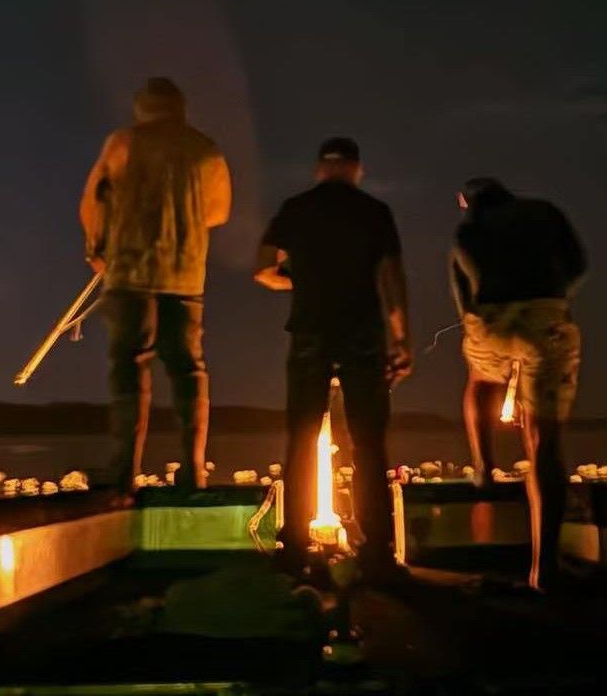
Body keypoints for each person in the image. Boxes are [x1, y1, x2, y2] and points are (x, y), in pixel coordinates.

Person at [255, 137, 411, 579]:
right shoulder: (375, 212)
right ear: (357, 169)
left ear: (320, 168)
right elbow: (392, 279)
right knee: (369, 444)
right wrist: (403, 339)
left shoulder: (296, 208)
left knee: (300, 439)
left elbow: (263, 268)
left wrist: (299, 280)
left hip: (310, 332)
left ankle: (294, 549)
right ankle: (377, 552)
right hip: (363, 332)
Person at [80, 77, 232, 491]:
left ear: (141, 108)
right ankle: (193, 468)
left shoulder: (124, 142)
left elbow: (94, 199)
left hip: (131, 273)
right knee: (189, 369)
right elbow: (217, 213)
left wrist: (96, 247)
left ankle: (123, 469)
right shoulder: (206, 150)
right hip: (185, 276)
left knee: (129, 366)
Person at [450, 176, 586, 591]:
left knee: (480, 374)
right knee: (544, 440)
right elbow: (579, 264)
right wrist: (557, 299)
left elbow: (463, 296)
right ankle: (544, 568)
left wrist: (481, 325)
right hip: (544, 317)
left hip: (489, 318)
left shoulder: (467, 229)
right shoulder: (545, 211)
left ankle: (484, 468)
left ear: (468, 202)